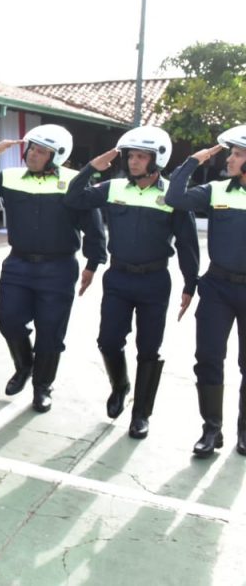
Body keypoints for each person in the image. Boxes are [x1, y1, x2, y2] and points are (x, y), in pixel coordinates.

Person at [63, 126, 198, 439]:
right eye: (130, 156)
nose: (133, 162)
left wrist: (190, 284)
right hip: (118, 278)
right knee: (108, 341)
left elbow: (188, 243)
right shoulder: (113, 188)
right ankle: (120, 385)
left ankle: (141, 414)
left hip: (155, 281)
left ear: (157, 159)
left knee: (149, 349)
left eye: (140, 157)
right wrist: (91, 168)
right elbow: (73, 198)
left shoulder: (173, 196)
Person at [0, 124, 106, 413]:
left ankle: (42, 387)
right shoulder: (11, 177)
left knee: (50, 332)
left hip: (59, 268)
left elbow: (93, 226)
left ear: (56, 156)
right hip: (18, 264)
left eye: (41, 151)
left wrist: (92, 263)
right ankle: (24, 365)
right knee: (8, 319)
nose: (32, 154)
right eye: (31, 148)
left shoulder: (74, 181)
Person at [165, 125, 246, 458]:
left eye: (237, 154)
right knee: (208, 358)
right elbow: (174, 198)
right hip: (217, 287)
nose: (229, 159)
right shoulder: (216, 190)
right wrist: (191, 162)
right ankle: (211, 429)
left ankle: (245, 432)